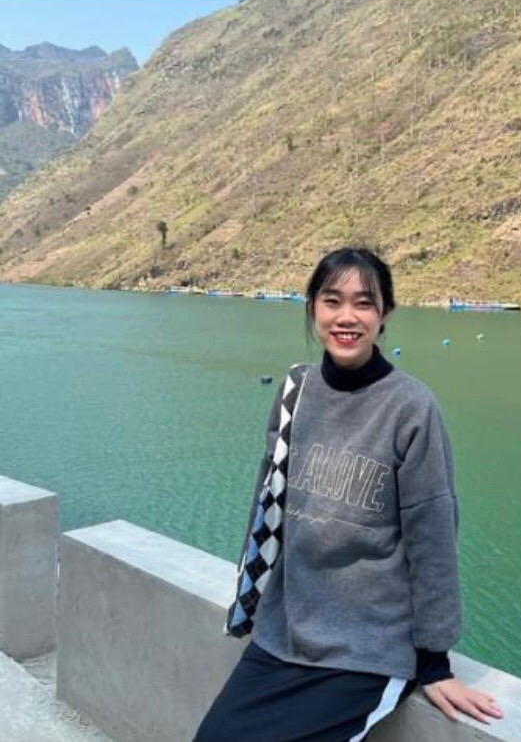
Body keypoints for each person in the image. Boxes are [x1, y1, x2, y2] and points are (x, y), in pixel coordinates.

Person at [192, 247, 502, 742]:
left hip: (367, 651)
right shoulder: (295, 391)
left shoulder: (411, 408)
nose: (346, 317)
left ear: (385, 314)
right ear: (313, 308)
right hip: (282, 633)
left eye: (363, 303)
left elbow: (432, 538)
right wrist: (251, 604)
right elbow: (266, 507)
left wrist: (434, 660)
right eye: (332, 301)